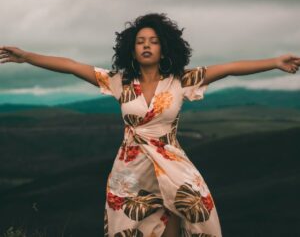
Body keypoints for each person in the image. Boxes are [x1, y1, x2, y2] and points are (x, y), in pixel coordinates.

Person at [0, 13, 299, 237]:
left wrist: (273, 62)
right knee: (129, 228)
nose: (146, 46)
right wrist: (26, 57)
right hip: (129, 173)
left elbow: (231, 68)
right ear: (131, 49)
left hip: (171, 166)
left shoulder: (181, 81)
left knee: (191, 213)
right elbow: (72, 66)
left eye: (153, 42)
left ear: (164, 49)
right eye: (140, 42)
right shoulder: (120, 82)